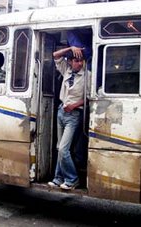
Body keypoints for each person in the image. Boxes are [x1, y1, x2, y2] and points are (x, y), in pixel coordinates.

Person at [48, 46, 88, 190]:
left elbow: (88, 97)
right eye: (76, 60)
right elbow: (55, 55)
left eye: (81, 60)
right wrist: (70, 48)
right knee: (60, 147)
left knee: (64, 148)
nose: (79, 63)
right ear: (70, 61)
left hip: (74, 114)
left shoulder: (87, 75)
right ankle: (58, 178)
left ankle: (72, 178)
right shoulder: (67, 70)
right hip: (61, 112)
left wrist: (74, 105)